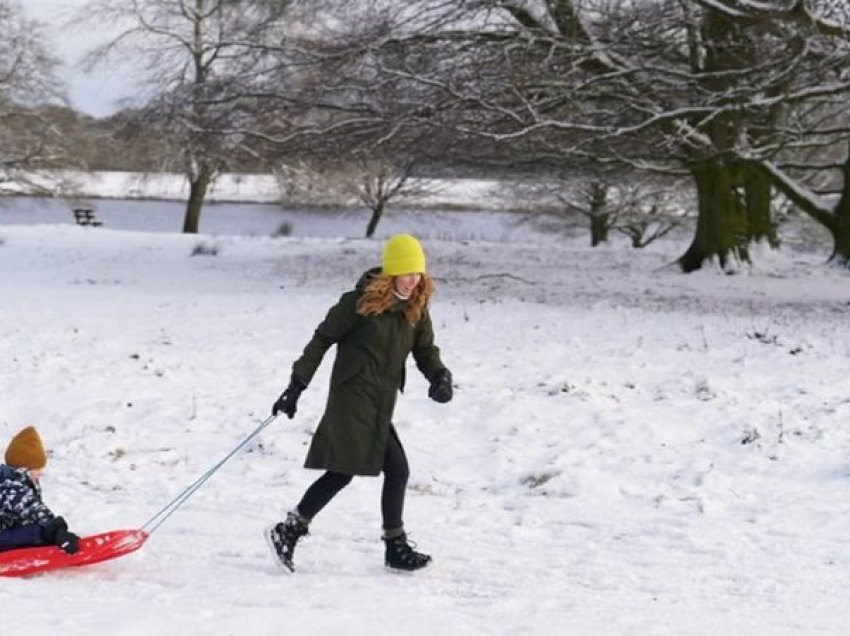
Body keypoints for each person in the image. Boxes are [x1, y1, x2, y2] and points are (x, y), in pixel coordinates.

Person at [266, 233, 453, 573]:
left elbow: (425, 350)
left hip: (381, 401)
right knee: (372, 470)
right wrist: (297, 384)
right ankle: (296, 531)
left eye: (418, 273)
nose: (414, 280)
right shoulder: (358, 303)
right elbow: (322, 339)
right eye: (407, 272)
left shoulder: (415, 309)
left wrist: (439, 376)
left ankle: (293, 529)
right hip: (353, 398)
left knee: (355, 472)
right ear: (392, 272)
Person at [0, 426, 80, 554]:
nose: (40, 473)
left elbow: (32, 513)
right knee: (36, 532)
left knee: (38, 529)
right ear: (24, 468)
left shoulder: (17, 480)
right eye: (36, 469)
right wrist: (56, 533)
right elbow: (33, 509)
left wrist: (55, 530)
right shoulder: (11, 487)